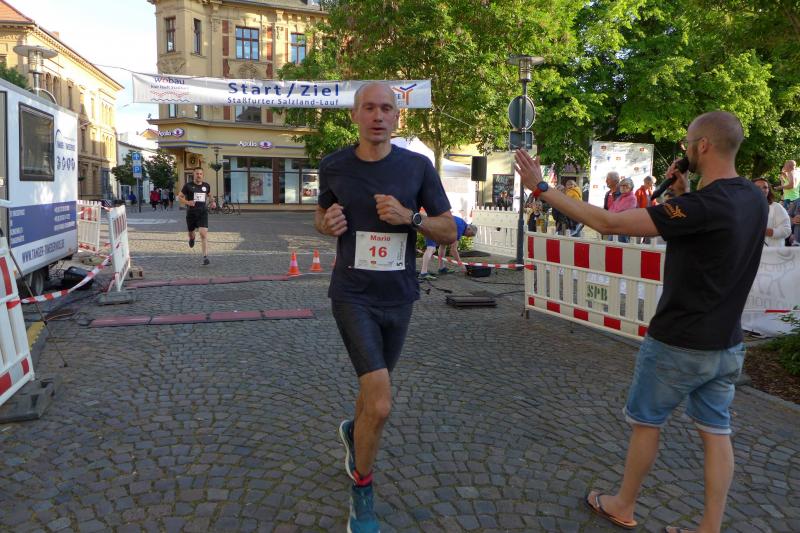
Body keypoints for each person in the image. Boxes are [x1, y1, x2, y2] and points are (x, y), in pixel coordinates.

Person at [515, 110, 766, 533]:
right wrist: (682, 193)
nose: (685, 149)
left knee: (646, 423)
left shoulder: (699, 207)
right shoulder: (753, 198)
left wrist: (542, 187)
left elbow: (607, 222)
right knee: (716, 433)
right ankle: (710, 528)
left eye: (688, 142)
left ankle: (623, 504)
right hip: (726, 343)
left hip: (678, 341)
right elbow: (708, 229)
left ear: (703, 146)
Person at [314, 82, 455, 533]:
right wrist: (326, 224)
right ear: (355, 115)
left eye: (386, 108)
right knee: (380, 403)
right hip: (352, 295)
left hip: (399, 297)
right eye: (369, 108)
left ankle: (353, 434)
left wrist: (411, 217)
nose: (378, 116)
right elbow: (321, 215)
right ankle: (362, 492)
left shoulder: (417, 167)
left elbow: (449, 230)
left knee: (370, 391)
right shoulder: (334, 165)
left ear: (398, 117)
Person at [178, 168, 214, 266]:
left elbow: (210, 195)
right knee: (191, 233)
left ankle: (205, 257)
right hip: (191, 213)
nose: (199, 175)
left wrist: (212, 202)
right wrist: (187, 202)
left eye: (200, 174)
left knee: (203, 234)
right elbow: (179, 197)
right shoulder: (188, 186)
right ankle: (192, 239)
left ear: (203, 175)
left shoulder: (206, 185)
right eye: (197, 174)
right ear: (194, 175)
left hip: (203, 213)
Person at [753, 177, 791, 247]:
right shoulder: (745, 209)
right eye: (757, 187)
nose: (762, 190)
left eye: (765, 187)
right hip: (751, 252)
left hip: (773, 251)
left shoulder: (776, 207)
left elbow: (787, 230)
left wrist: (765, 231)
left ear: (768, 190)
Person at [609, 178, 638, 242]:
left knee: (620, 245)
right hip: (615, 225)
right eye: (621, 185)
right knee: (611, 244)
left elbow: (624, 212)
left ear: (631, 187)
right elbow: (612, 208)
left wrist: (613, 215)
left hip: (623, 226)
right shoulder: (620, 197)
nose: (623, 187)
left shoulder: (632, 198)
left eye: (626, 185)